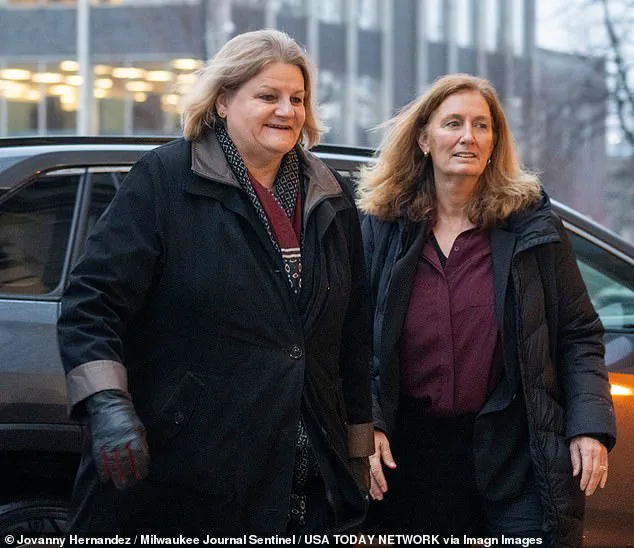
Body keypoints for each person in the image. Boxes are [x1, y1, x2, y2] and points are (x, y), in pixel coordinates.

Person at [57, 29, 373, 534]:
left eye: (297, 98)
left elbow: (351, 338)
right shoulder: (165, 179)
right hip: (187, 471)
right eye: (267, 96)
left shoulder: (331, 195)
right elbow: (91, 304)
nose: (286, 111)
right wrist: (107, 405)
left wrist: (355, 450)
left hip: (303, 477)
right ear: (223, 101)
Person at [357, 73, 616, 546]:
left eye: (481, 126)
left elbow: (578, 332)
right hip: (411, 459)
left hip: (515, 456)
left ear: (495, 143)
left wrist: (589, 427)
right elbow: (350, 339)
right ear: (423, 139)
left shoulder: (533, 228)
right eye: (453, 123)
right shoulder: (382, 227)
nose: (468, 137)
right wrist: (365, 425)